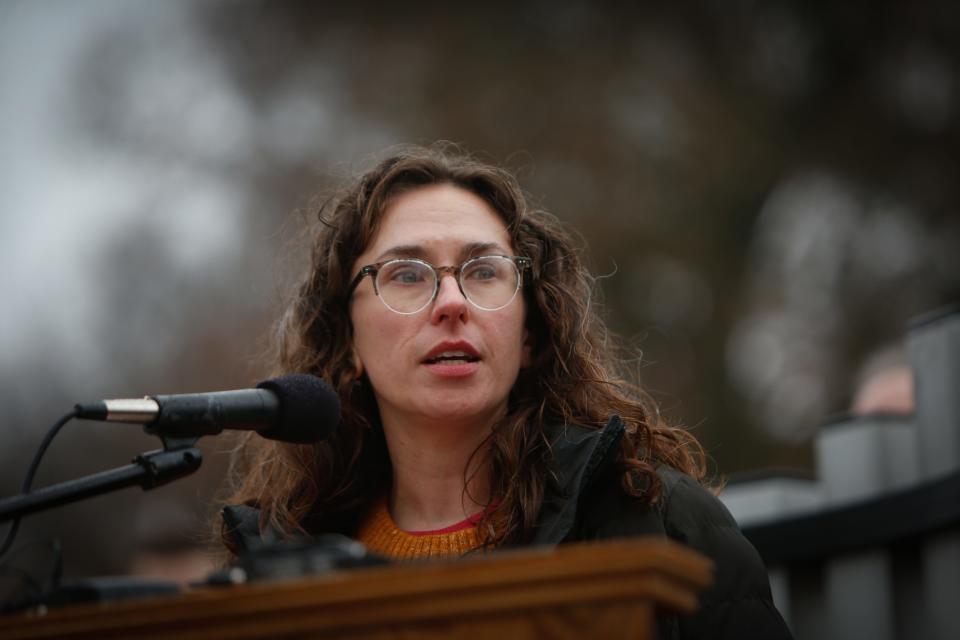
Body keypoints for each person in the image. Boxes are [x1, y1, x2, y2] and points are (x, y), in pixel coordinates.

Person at [218, 143, 792, 639]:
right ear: (347, 345)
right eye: (408, 274)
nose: (451, 303)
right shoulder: (279, 564)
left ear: (531, 335)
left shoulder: (660, 520)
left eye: (484, 271)